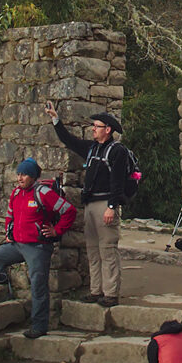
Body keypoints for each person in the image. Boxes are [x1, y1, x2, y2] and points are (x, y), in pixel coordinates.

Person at [0, 158, 77, 338]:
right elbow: (10, 215)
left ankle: (39, 326)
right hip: (17, 244)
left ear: (33, 176)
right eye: (19, 174)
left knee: (37, 284)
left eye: (24, 174)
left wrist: (56, 231)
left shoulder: (43, 193)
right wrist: (8, 232)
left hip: (38, 246)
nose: (20, 178)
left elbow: (69, 211)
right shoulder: (16, 193)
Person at [45, 102, 128, 307]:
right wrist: (56, 119)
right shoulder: (91, 148)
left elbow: (118, 181)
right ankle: (95, 290)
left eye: (97, 126)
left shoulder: (117, 151)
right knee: (92, 249)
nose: (93, 129)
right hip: (91, 204)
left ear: (107, 130)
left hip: (105, 204)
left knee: (107, 249)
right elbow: (69, 140)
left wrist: (112, 206)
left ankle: (110, 293)